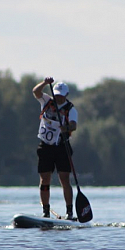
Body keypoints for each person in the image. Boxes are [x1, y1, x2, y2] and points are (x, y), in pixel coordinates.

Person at [33, 77, 78, 220]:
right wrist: (45, 83)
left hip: (62, 147)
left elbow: (73, 125)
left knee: (64, 179)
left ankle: (69, 212)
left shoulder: (70, 109)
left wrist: (66, 128)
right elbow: (36, 91)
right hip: (45, 146)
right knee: (44, 179)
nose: (58, 97)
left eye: (61, 95)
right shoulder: (46, 101)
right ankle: (45, 211)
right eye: (57, 95)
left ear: (66, 95)